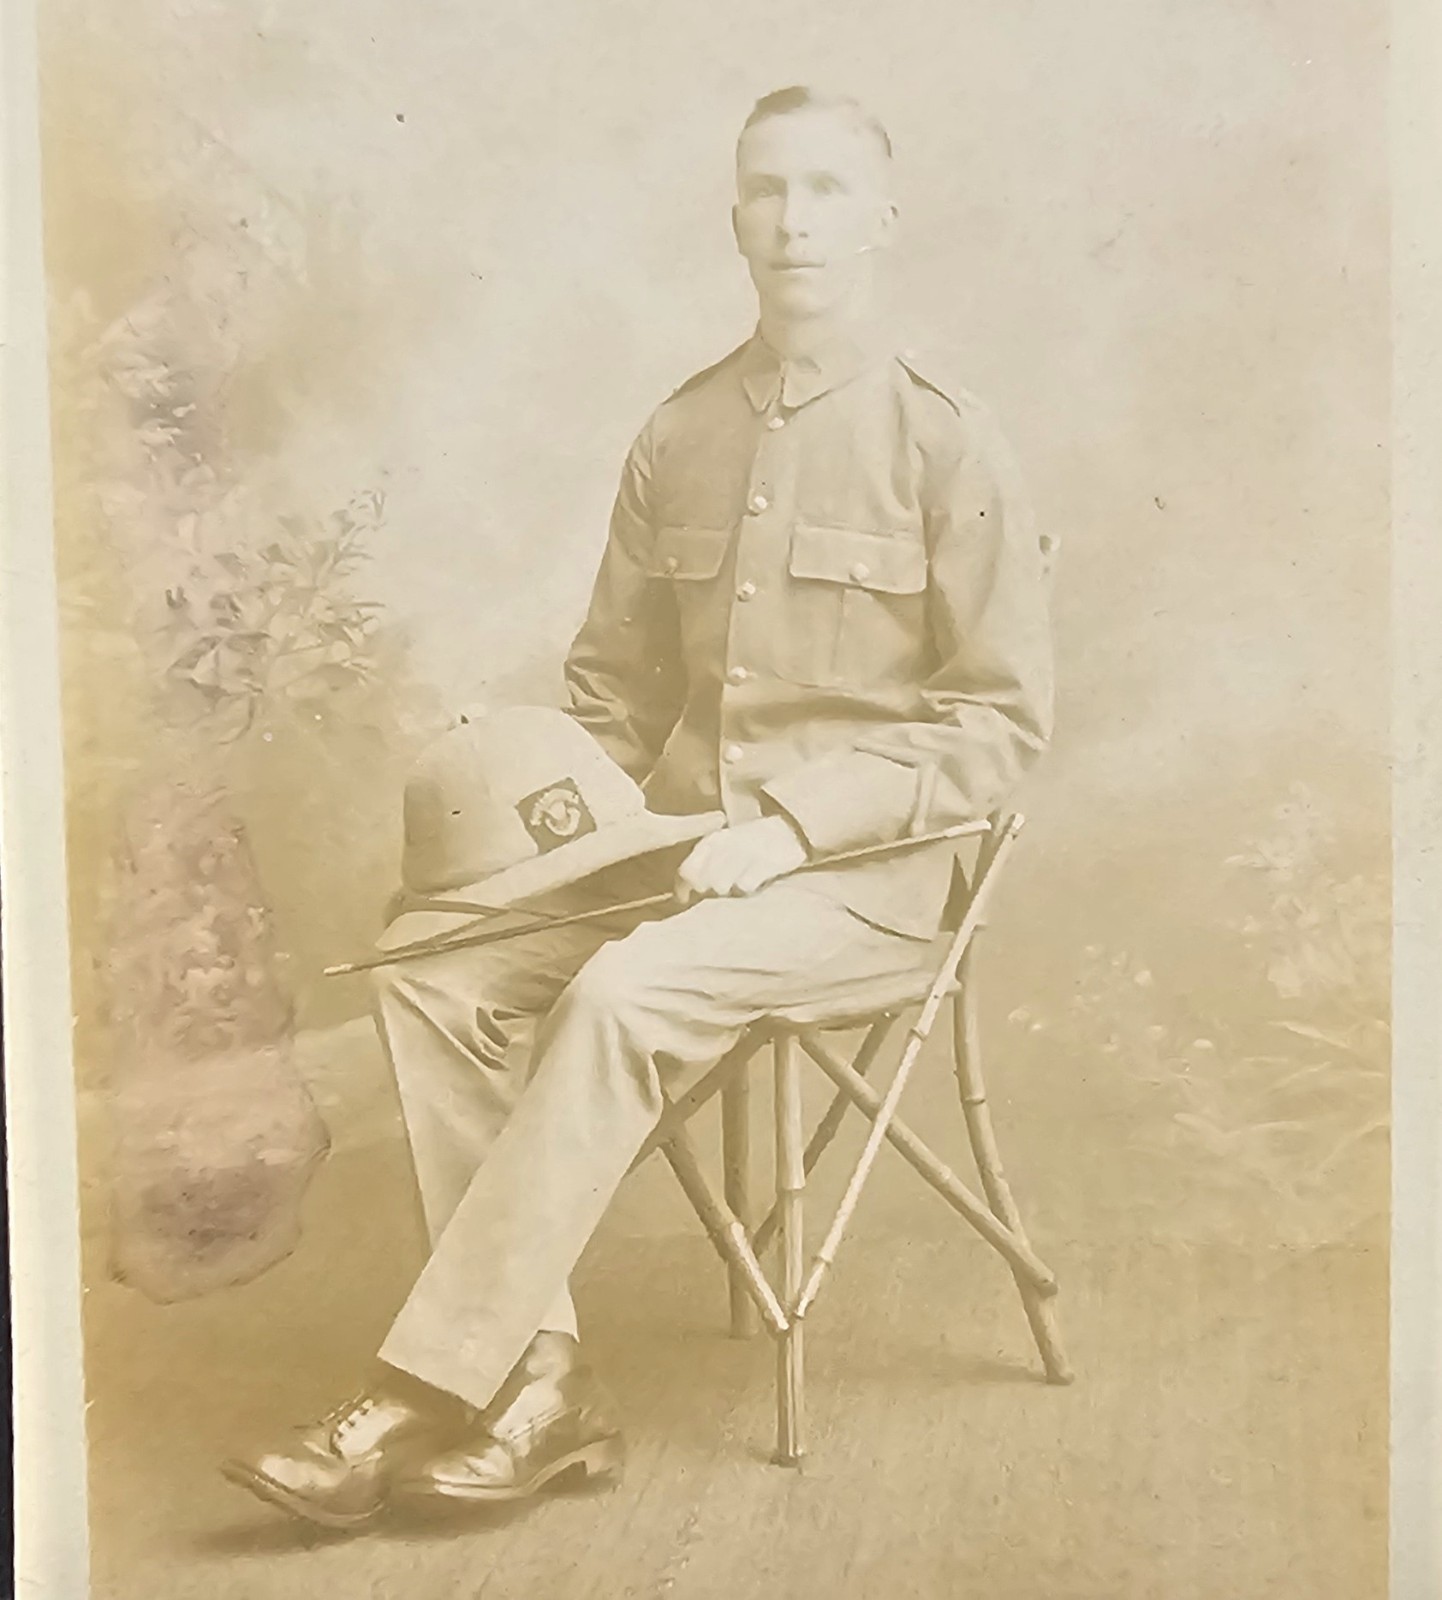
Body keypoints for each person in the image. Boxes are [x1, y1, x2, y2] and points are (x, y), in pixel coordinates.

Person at [223, 84, 1054, 1531]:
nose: (793, 221)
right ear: (734, 218)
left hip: (863, 886)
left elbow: (994, 727)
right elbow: (609, 696)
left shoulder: (946, 443)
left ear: (880, 220)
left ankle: (418, 1389)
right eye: (765, 192)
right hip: (673, 863)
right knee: (433, 969)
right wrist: (521, 845)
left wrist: (795, 829)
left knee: (618, 994)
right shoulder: (679, 433)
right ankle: (535, 1374)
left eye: (824, 192)